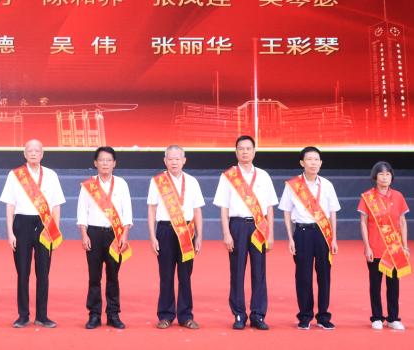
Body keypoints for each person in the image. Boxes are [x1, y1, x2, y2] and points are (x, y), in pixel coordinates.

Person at [213, 135, 277, 330]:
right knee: (237, 271)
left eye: (248, 148)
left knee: (259, 272)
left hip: (259, 227)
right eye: (241, 149)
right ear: (236, 152)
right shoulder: (228, 176)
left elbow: (269, 207)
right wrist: (226, 233)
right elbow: (223, 207)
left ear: (254, 151)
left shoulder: (264, 176)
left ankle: (258, 315)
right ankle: (239, 314)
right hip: (237, 226)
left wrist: (271, 233)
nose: (245, 152)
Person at [0, 139, 66, 328]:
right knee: (23, 272)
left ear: (42, 154)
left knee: (43, 272)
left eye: (37, 150)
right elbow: (9, 205)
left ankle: (42, 316)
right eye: (30, 150)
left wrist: (55, 229)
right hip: (22, 224)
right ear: (25, 154)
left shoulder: (51, 175)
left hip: (45, 224)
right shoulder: (15, 175)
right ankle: (23, 316)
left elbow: (56, 205)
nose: (34, 153)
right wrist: (10, 233)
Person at [279, 146, 341, 330]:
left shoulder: (327, 185)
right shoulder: (292, 185)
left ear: (320, 163)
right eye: (309, 159)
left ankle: (323, 316)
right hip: (302, 233)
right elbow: (286, 212)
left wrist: (334, 238)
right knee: (303, 276)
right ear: (302, 163)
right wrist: (290, 238)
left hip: (323, 234)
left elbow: (332, 213)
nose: (313, 163)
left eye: (316, 160)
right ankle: (305, 316)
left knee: (324, 276)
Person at [146, 145, 204, 329]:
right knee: (166, 275)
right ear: (165, 161)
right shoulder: (157, 182)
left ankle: (186, 316)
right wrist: (152, 236)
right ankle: (165, 315)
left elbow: (197, 211)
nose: (174, 162)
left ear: (184, 160)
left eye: (177, 159)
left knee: (185, 276)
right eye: (170, 159)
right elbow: (152, 209)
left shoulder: (192, 182)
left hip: (187, 231)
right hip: (165, 230)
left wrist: (199, 236)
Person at [77, 146, 133, 330]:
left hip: (114, 235)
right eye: (101, 160)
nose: (105, 163)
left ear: (114, 163)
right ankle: (94, 315)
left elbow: (127, 213)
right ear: (95, 163)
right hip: (93, 234)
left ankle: (113, 314)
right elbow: (82, 212)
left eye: (109, 160)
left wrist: (124, 235)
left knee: (113, 276)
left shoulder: (122, 184)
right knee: (94, 277)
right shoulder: (88, 185)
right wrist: (84, 235)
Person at [357, 161, 410, 330]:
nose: (385, 177)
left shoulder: (398, 196)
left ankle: (393, 318)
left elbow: (402, 222)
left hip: (394, 248)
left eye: (388, 174)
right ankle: (377, 317)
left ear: (391, 177)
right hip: (375, 248)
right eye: (381, 174)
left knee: (393, 285)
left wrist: (405, 246)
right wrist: (367, 247)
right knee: (375, 285)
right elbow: (363, 223)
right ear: (375, 177)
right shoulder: (367, 197)